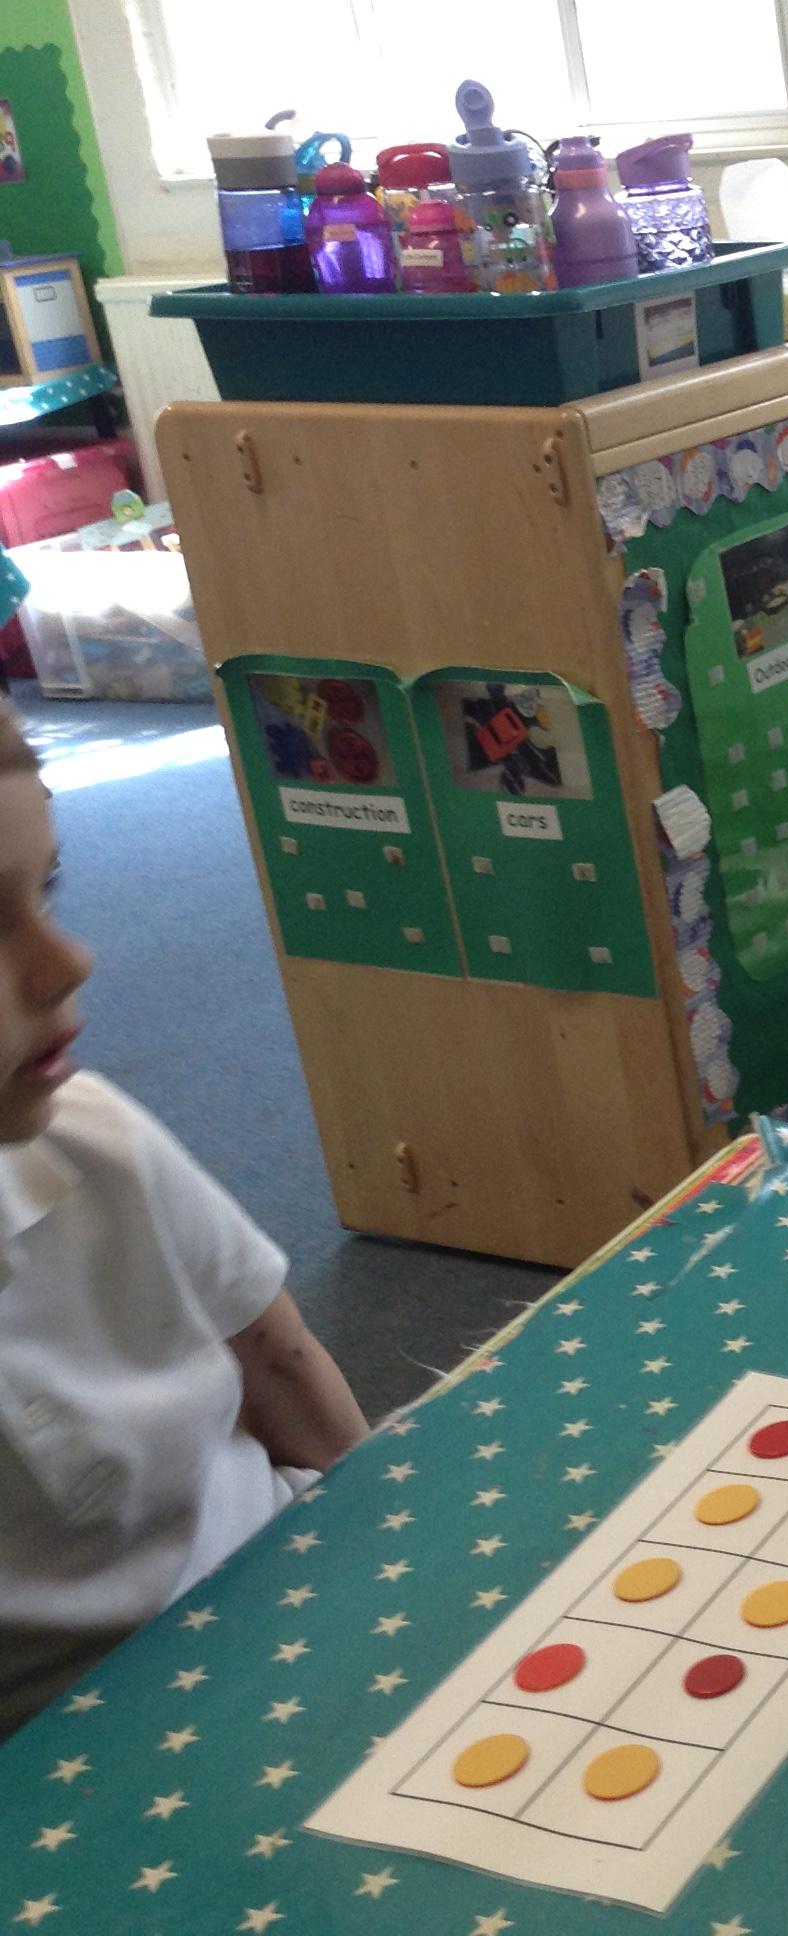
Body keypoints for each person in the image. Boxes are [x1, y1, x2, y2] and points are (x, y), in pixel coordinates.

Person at [0, 705, 366, 1736]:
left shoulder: (94, 1138)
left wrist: (388, 1544)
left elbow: (280, 1360)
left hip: (284, 1585)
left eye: (46, 890)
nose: (67, 962)